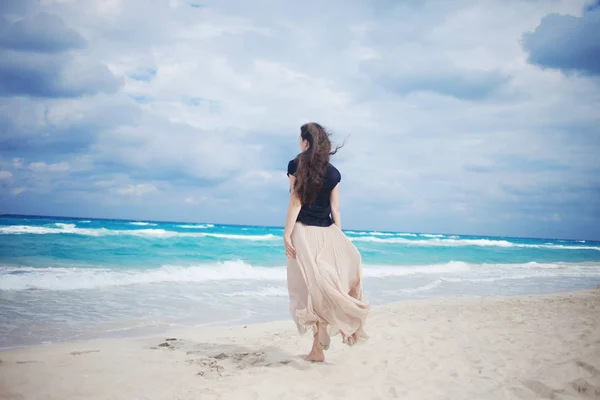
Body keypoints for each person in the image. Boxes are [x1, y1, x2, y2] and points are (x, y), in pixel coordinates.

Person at [283, 122, 369, 362]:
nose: (299, 143)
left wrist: (286, 233)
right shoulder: (333, 173)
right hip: (327, 232)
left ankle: (317, 343)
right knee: (326, 285)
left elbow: (295, 202)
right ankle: (317, 349)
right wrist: (338, 239)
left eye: (300, 139)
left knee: (307, 287)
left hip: (303, 232)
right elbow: (336, 208)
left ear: (306, 142)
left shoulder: (295, 165)